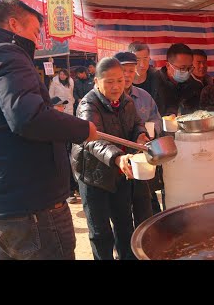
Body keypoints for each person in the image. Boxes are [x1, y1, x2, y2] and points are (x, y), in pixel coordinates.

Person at [0, 0, 97, 260]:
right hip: (31, 205)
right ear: (13, 23)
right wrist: (82, 128)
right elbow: (27, 118)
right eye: (34, 32)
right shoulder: (7, 53)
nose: (38, 42)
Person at [71, 57, 150, 260]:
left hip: (120, 171)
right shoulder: (88, 104)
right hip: (93, 176)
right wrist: (117, 157)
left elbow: (137, 124)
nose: (116, 87)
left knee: (124, 225)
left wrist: (141, 135)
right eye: (109, 81)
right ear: (96, 81)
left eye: (119, 81)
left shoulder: (127, 101)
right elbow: (92, 140)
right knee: (100, 232)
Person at [114, 51, 163, 223]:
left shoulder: (143, 96)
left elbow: (156, 118)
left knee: (146, 207)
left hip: (142, 160)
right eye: (123, 71)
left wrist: (151, 131)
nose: (127, 75)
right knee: (122, 214)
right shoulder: (108, 98)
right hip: (119, 162)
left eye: (130, 70)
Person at [153, 43, 202, 116]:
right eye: (182, 68)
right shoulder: (153, 82)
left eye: (189, 68)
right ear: (168, 65)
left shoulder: (195, 86)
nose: (186, 72)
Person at [51, 96, 79, 204]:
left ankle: (72, 191)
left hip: (67, 150)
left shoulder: (64, 118)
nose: (62, 108)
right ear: (52, 107)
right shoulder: (49, 121)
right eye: (59, 105)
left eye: (62, 105)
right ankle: (68, 193)